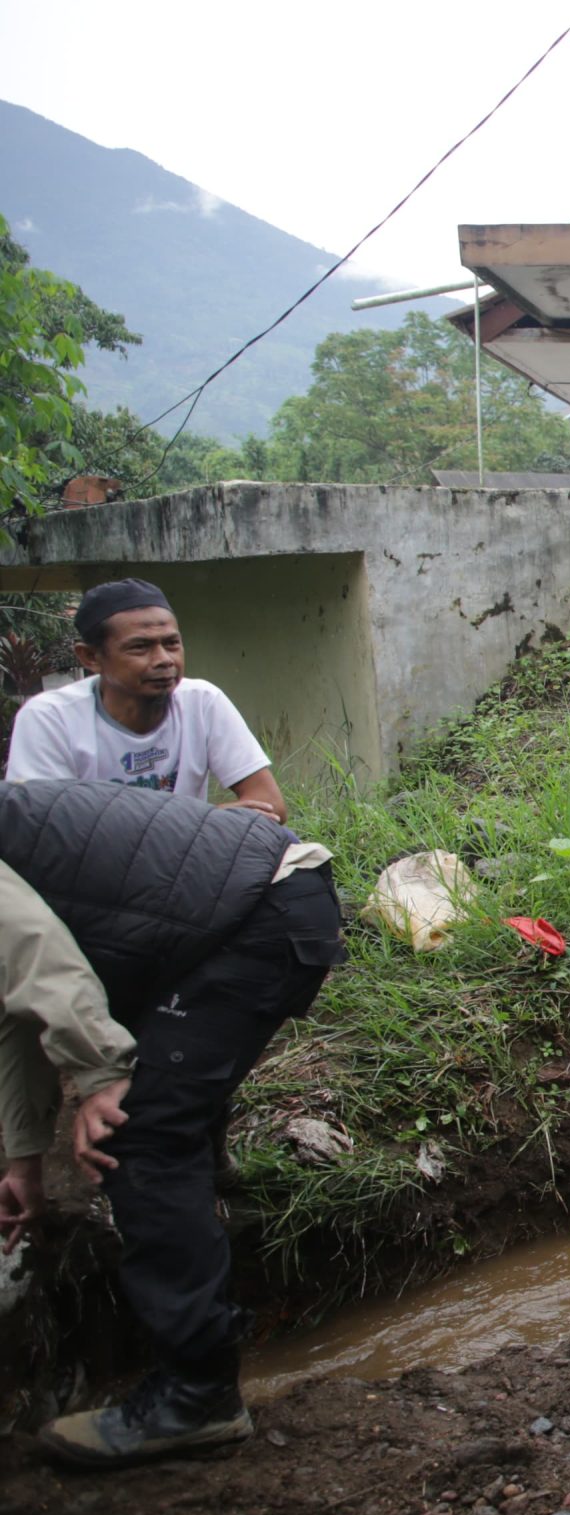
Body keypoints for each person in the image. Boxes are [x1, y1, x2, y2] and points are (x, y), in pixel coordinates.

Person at [0, 780, 345, 1466]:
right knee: (160, 1103)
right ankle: (204, 1192)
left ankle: (197, 1396)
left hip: (256, 912)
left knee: (139, 1134)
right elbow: (16, 1001)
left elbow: (36, 953)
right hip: (264, 901)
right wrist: (24, 1158)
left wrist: (101, 1073)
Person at [7, 579, 288, 820]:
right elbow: (50, 833)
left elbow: (271, 807)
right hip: (92, 878)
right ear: (90, 657)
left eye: (171, 643)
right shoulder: (50, 718)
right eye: (140, 647)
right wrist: (204, 821)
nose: (164, 660)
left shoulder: (202, 701)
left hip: (186, 863)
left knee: (300, 875)